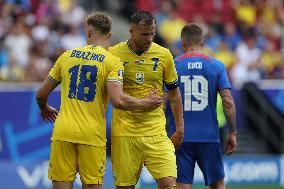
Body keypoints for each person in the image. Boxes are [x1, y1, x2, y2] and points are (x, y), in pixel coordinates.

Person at [36, 12, 162, 189]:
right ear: (109, 35)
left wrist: (44, 108)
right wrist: (145, 103)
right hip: (91, 135)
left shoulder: (66, 56)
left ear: (88, 33)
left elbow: (41, 94)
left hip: (63, 132)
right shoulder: (112, 62)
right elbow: (118, 101)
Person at [108, 11, 184, 189]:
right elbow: (112, 96)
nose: (149, 38)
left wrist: (180, 127)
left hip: (156, 132)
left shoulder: (164, 55)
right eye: (144, 34)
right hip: (125, 134)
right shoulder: (114, 54)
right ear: (131, 31)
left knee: (170, 185)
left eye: (152, 33)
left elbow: (174, 93)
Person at [165, 23, 237, 189]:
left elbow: (163, 101)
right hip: (208, 135)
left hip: (179, 136)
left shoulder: (173, 66)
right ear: (203, 41)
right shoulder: (217, 66)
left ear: (182, 43)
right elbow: (228, 101)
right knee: (218, 184)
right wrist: (232, 132)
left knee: (182, 185)